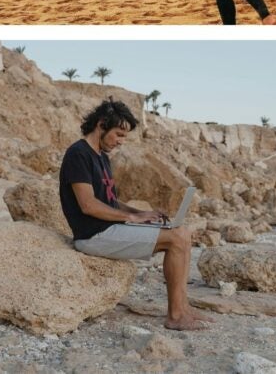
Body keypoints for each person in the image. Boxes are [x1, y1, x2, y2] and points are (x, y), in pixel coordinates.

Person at [58, 98, 212, 331]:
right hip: (93, 235)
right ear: (101, 125)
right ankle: (176, 315)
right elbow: (89, 205)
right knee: (176, 239)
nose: (120, 142)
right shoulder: (78, 154)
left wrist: (142, 213)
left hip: (108, 229)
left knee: (183, 233)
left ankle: (184, 307)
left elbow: (109, 201)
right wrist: (133, 219)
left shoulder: (101, 157)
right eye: (118, 134)